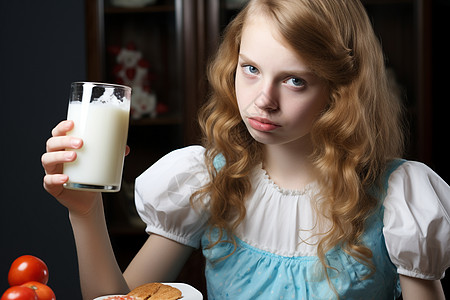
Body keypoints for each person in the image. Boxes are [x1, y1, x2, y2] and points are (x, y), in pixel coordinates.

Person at [42, 0, 449, 299]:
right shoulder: (208, 180)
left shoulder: (399, 197)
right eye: (251, 69)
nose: (263, 100)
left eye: (294, 81)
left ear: (340, 91)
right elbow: (119, 299)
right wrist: (86, 212)